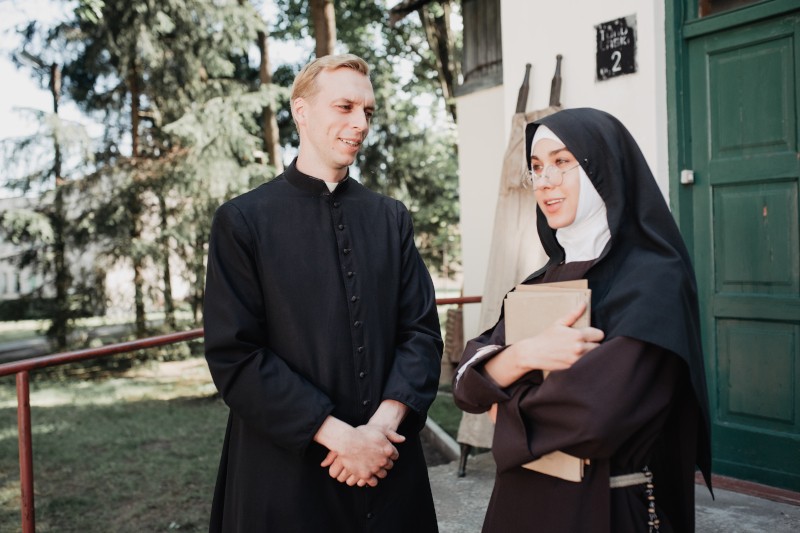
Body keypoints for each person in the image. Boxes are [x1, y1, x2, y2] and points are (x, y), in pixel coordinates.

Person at [203, 53, 443, 532]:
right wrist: (341, 439)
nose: (360, 124)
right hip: (286, 478)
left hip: (387, 461)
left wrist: (378, 432)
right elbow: (236, 355)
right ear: (301, 111)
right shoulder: (243, 221)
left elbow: (420, 333)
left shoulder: (390, 217)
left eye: (368, 112)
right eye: (345, 107)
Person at [452, 107, 712, 533]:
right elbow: (465, 382)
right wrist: (523, 356)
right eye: (536, 167)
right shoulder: (539, 280)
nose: (544, 180)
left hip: (599, 511)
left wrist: (501, 405)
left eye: (561, 162)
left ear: (602, 167)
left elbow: (594, 417)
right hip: (517, 508)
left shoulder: (654, 281)